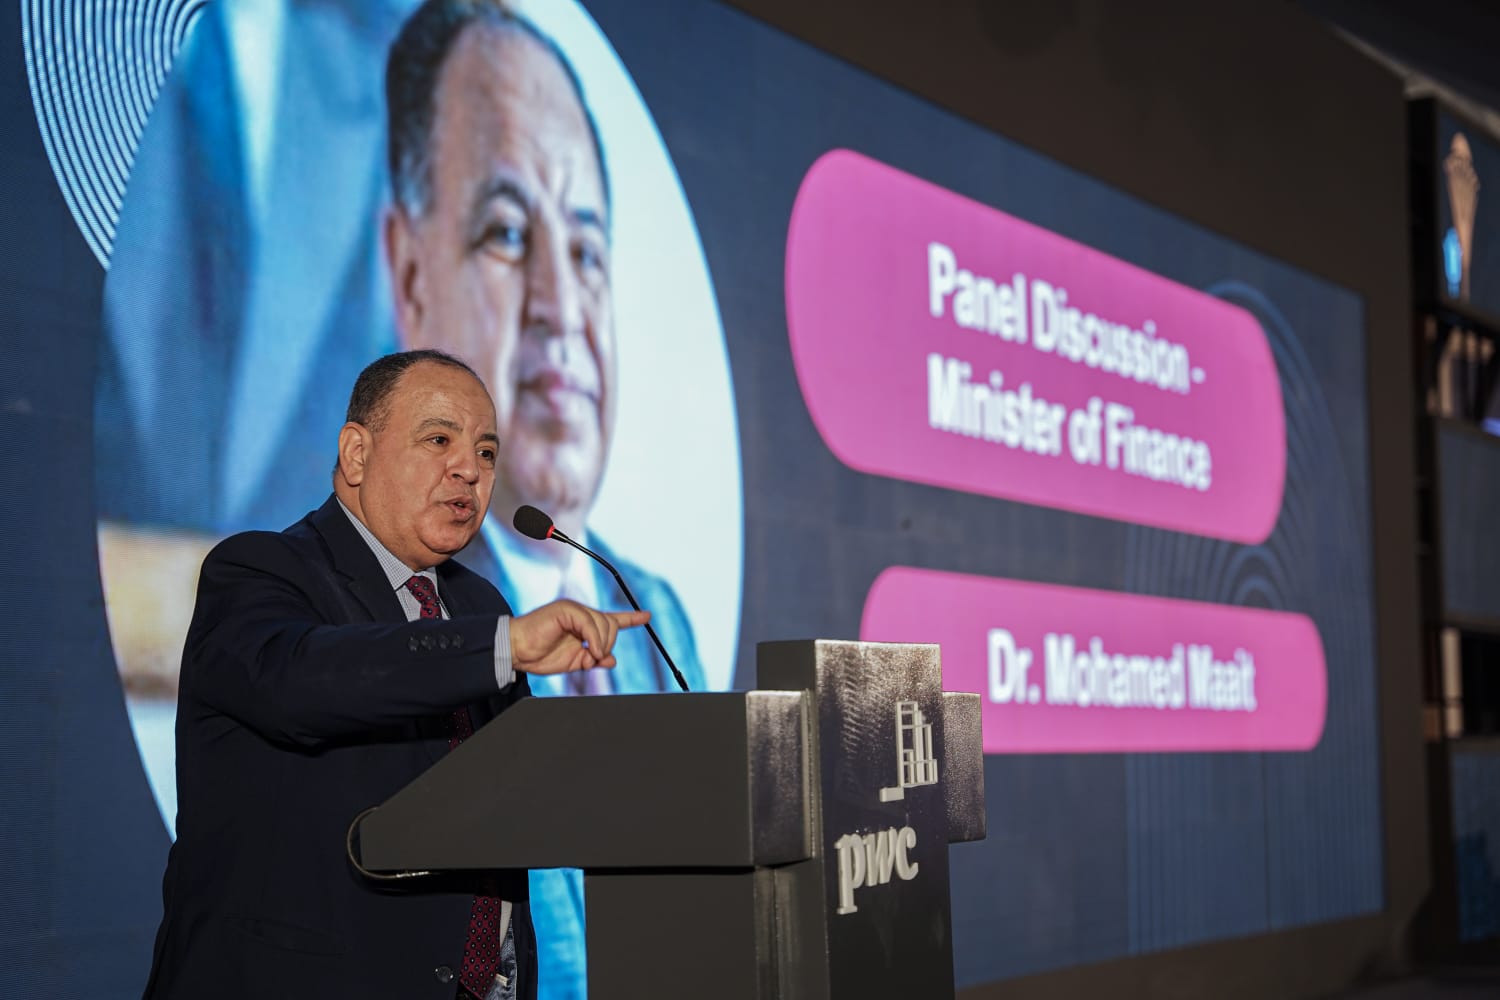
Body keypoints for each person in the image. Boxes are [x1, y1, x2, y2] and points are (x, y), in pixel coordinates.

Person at [141, 350, 649, 1000]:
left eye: (486, 452)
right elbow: (305, 681)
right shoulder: (259, 571)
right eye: (439, 440)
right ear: (356, 454)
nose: (469, 469)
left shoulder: (480, 605)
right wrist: (504, 644)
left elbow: (508, 798)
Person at [380, 4, 708, 995]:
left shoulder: (656, 616)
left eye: (589, 252)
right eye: (509, 233)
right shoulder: (390, 631)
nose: (562, 307)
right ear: (410, 275)